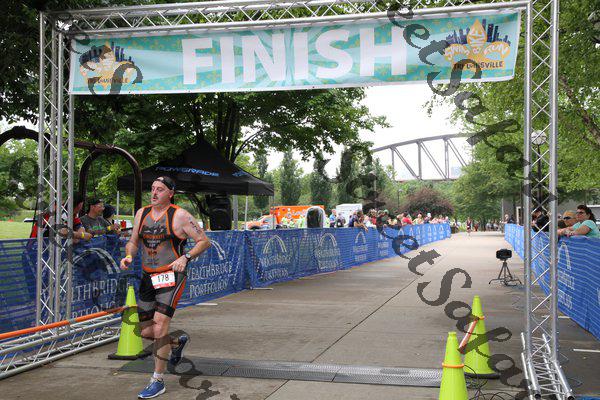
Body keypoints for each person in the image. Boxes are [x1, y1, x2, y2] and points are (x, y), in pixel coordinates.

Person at [120, 176, 211, 399]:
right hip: (148, 277)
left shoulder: (180, 216)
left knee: (160, 326)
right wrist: (129, 255)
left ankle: (157, 380)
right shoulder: (141, 213)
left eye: (160, 189)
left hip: (171, 276)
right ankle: (176, 342)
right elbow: (133, 241)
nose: (154, 193)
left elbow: (204, 241)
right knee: (146, 331)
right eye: (152, 188)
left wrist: (186, 257)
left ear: (171, 193)